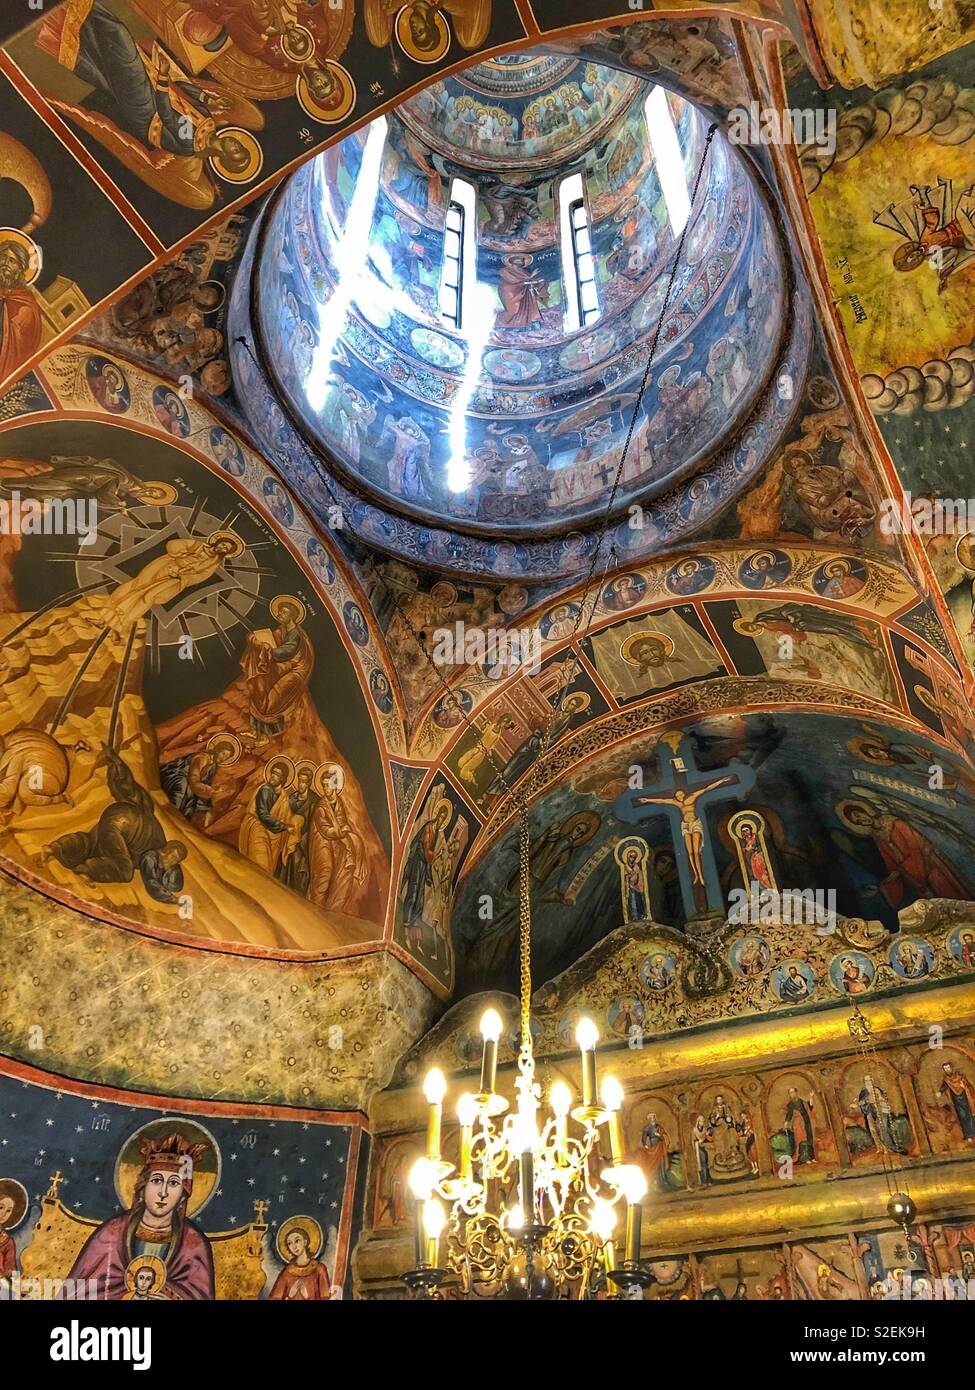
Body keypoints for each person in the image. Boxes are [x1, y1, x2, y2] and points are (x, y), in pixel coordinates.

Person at [66, 1130, 214, 1299]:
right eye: (156, 1181)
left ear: (183, 1197)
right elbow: (77, 1293)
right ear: (142, 1188)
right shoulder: (112, 1233)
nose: (163, 1192)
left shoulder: (193, 1244)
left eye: (173, 1183)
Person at [41, 746, 186, 904]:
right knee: (125, 870)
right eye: (171, 856)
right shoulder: (151, 856)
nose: (169, 859)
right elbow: (151, 882)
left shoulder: (152, 824)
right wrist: (173, 900)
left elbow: (129, 787)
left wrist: (115, 762)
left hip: (116, 812)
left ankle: (54, 848)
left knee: (92, 843)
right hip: (122, 826)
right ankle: (86, 871)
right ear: (167, 850)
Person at [0, 239, 41, 383]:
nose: (5, 264)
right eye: (3, 257)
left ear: (20, 269)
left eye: (12, 261)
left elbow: (19, 347)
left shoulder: (26, 305)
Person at [269, 1220, 334, 1300]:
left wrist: (307, 1297)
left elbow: (325, 1297)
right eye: (289, 1243)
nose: (294, 1246)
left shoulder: (319, 1269)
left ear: (305, 1242)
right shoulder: (287, 1272)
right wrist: (290, 1296)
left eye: (297, 1241)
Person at [939, 1061, 975, 1140]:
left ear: (951, 1068)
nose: (947, 1070)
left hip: (966, 1099)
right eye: (945, 1069)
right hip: (957, 1101)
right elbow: (944, 1086)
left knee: (971, 1115)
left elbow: (968, 1085)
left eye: (948, 1068)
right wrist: (940, 1092)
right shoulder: (946, 1079)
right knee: (963, 1117)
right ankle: (968, 1135)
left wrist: (964, 1085)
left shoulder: (960, 1076)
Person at [784, 1087, 816, 1164]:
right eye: (791, 1093)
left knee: (809, 1138)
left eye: (793, 1092)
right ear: (790, 1095)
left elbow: (810, 1107)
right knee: (802, 1139)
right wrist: (786, 1123)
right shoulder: (790, 1105)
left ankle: (811, 1157)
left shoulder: (802, 1102)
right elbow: (789, 1115)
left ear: (796, 1092)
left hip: (806, 1121)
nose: (792, 1094)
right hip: (798, 1123)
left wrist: (811, 1097)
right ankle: (805, 1158)